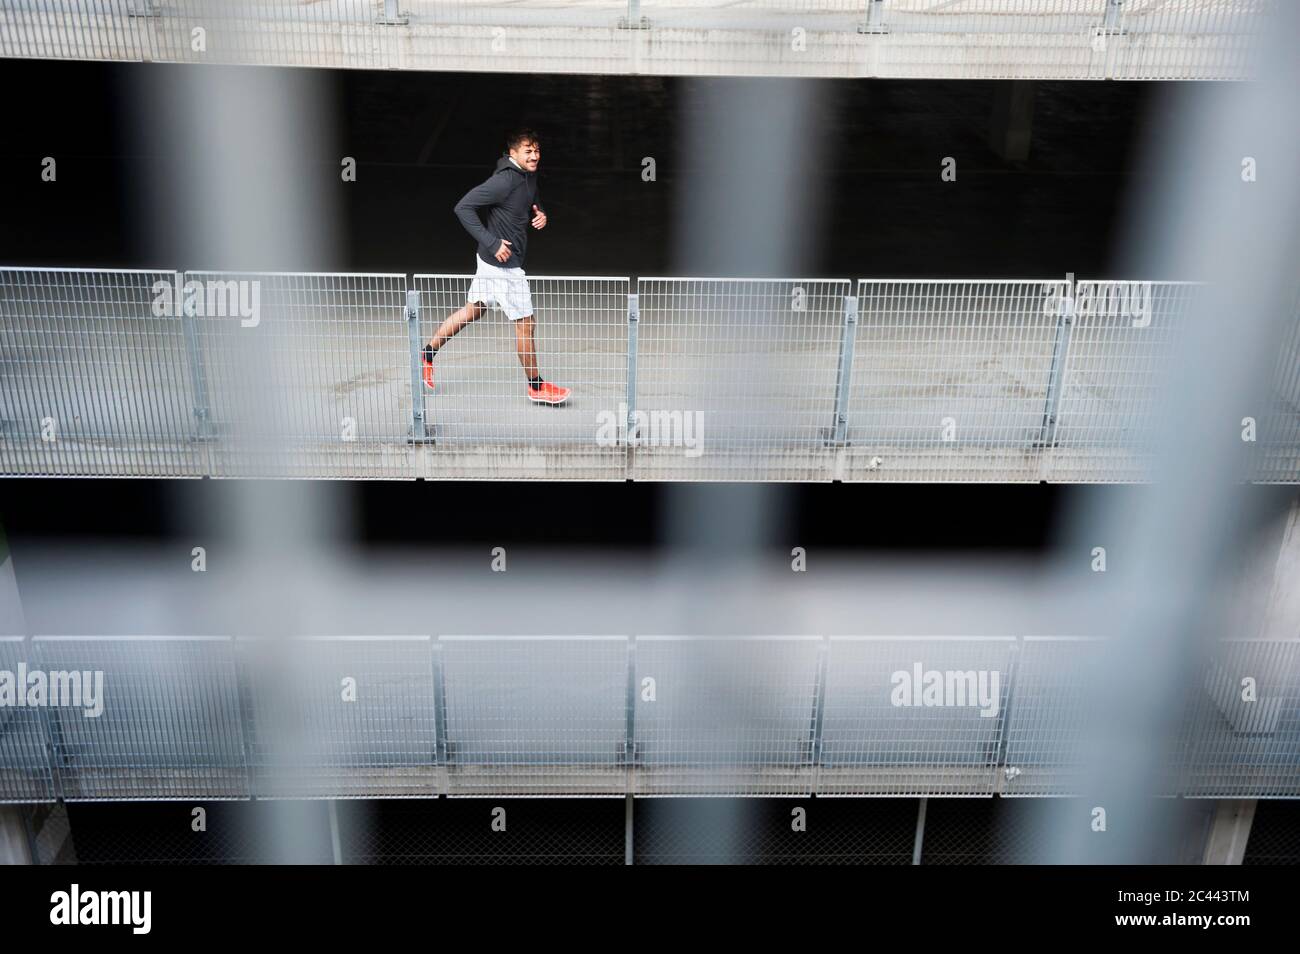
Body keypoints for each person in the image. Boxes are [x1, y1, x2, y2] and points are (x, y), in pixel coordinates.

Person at [422, 128, 571, 405]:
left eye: (536, 150)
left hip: (492, 262)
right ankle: (536, 387)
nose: (534, 155)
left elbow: (531, 197)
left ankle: (426, 354)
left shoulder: (527, 175)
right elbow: (463, 207)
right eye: (528, 151)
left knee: (473, 311)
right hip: (503, 266)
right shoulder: (503, 181)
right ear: (512, 153)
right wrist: (492, 242)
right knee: (526, 324)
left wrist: (540, 212)